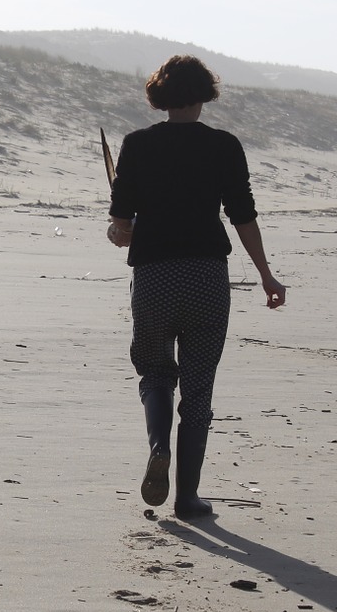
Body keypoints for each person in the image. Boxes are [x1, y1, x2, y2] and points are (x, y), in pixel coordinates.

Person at [107, 55, 285, 520]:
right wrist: (266, 274)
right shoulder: (224, 146)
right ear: (205, 94)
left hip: (154, 275)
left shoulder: (137, 145)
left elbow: (120, 222)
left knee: (155, 372)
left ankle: (158, 445)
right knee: (200, 388)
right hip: (207, 275)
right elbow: (242, 214)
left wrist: (120, 230)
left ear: (160, 95)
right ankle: (187, 498)